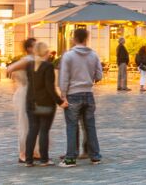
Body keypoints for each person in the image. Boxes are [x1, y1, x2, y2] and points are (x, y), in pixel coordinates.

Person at [58, 25, 105, 166]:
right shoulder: (94, 54)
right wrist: (90, 81)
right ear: (86, 39)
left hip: (73, 94)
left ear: (74, 39)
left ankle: (71, 157)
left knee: (72, 126)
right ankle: (95, 156)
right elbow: (99, 75)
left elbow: (64, 77)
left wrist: (63, 94)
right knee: (90, 126)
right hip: (89, 94)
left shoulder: (68, 55)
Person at [25, 40, 63, 167]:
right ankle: (44, 159)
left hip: (30, 102)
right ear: (46, 52)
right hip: (45, 103)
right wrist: (60, 102)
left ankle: (28, 160)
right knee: (44, 131)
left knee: (32, 130)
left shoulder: (29, 65)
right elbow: (49, 87)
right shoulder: (47, 66)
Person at [6, 38, 38, 164]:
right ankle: (23, 153)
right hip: (26, 93)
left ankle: (34, 151)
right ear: (29, 48)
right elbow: (10, 69)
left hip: (32, 92)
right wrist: (21, 82)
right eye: (35, 45)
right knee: (25, 124)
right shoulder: (27, 60)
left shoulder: (34, 59)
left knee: (35, 124)